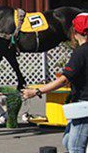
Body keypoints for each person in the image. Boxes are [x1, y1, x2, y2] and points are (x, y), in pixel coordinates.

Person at [23, 13, 88, 153]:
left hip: (84, 105)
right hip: (80, 102)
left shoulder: (81, 53)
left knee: (75, 147)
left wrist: (36, 91)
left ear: (75, 32)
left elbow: (64, 79)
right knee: (67, 140)